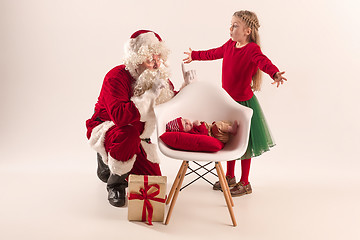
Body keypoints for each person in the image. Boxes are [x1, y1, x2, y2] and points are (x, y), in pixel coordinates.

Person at [183, 10, 287, 197]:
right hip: (228, 102)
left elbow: (263, 62)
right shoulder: (230, 45)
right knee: (228, 139)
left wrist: (275, 73)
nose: (230, 28)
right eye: (230, 24)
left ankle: (245, 182)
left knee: (244, 143)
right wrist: (195, 55)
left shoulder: (252, 49)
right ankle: (229, 176)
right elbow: (214, 53)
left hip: (244, 104)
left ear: (247, 31)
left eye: (235, 25)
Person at [86, 30, 195, 207]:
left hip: (139, 137)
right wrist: (149, 96)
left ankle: (113, 162)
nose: (156, 64)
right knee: (127, 133)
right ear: (137, 59)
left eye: (158, 58)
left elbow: (169, 105)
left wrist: (186, 88)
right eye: (150, 59)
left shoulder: (158, 78)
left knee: (153, 183)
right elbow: (120, 117)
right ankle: (115, 182)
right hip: (110, 129)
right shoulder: (116, 77)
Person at [166, 117, 238, 144]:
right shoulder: (191, 133)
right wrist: (199, 126)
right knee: (217, 125)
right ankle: (232, 130)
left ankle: (229, 128)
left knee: (222, 122)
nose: (187, 122)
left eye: (185, 120)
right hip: (219, 137)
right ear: (183, 132)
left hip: (220, 133)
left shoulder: (193, 127)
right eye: (185, 125)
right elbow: (204, 134)